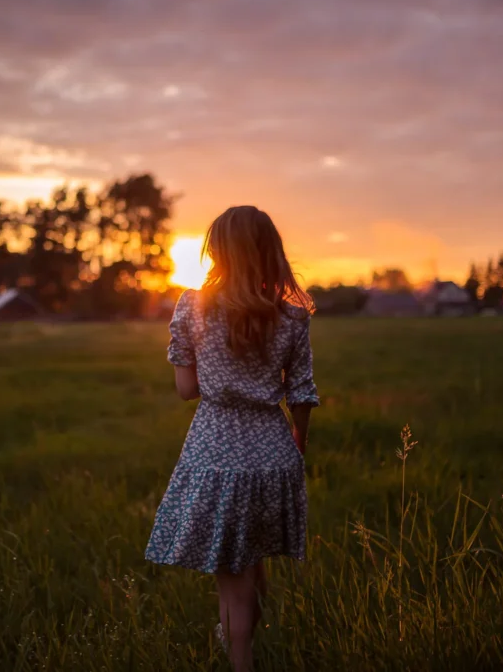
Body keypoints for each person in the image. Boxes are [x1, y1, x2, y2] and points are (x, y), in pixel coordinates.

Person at [144, 206, 319, 671]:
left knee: (233, 588)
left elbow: (187, 390)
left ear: (217, 251)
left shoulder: (194, 306)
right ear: (270, 252)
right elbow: (302, 394)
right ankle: (248, 644)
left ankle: (241, 660)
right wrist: (297, 443)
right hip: (274, 452)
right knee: (254, 566)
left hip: (217, 452)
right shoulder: (293, 316)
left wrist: (218, 370)